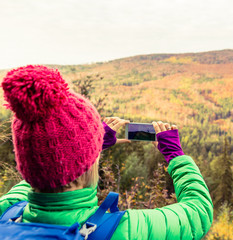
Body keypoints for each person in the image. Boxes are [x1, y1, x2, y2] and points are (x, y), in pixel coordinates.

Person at [0, 65, 213, 239]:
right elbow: (198, 211)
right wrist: (176, 156)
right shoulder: (124, 230)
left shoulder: (7, 211)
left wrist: (87, 148)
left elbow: (44, 167)